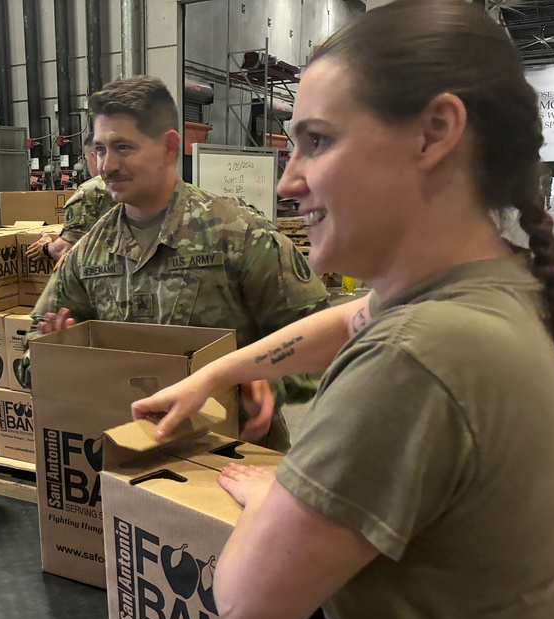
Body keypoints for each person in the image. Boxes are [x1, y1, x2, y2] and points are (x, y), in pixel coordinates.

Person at [132, 2, 554, 619]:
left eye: (317, 141)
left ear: (434, 132)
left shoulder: (420, 357)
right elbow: (347, 320)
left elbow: (248, 611)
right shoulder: (495, 286)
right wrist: (215, 373)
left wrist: (271, 502)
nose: (288, 182)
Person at [21, 75, 329, 451]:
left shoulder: (237, 235)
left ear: (169, 148)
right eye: (100, 149)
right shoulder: (90, 253)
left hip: (232, 457)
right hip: (129, 456)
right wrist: (56, 353)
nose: (106, 166)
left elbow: (320, 337)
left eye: (123, 147)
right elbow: (31, 356)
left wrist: (270, 381)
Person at [25, 132, 115, 263]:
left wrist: (46, 247)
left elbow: (64, 250)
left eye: (86, 159)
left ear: (94, 158)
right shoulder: (140, 185)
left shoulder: (90, 191)